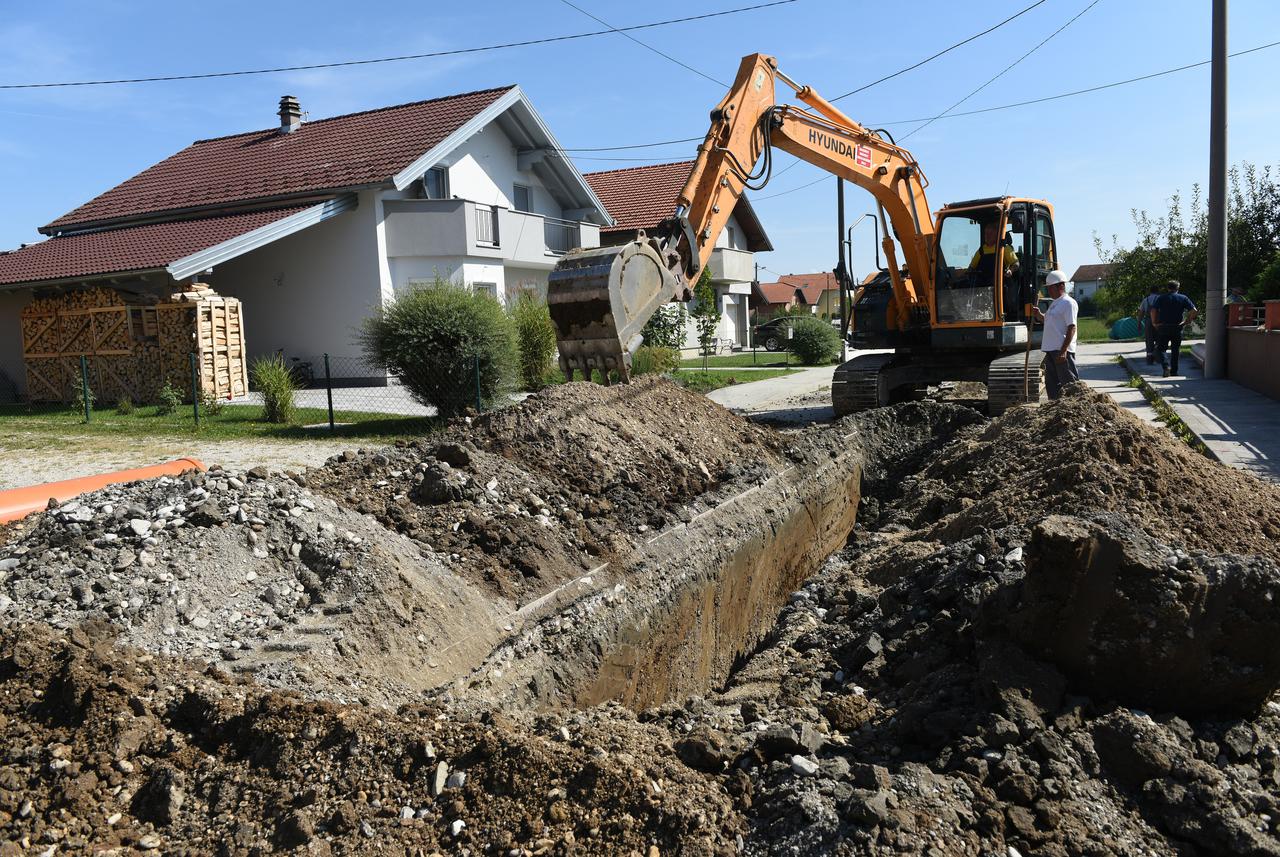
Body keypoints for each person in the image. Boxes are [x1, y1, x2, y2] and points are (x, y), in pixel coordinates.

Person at [1030, 269, 1078, 399]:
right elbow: (1048, 321)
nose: (1049, 291)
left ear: (1061, 285)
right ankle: (1055, 412)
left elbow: (1071, 327)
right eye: (1048, 288)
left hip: (1061, 351)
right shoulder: (1055, 304)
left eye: (1051, 287)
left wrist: (1063, 351)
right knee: (1052, 386)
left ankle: (1075, 409)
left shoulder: (1068, 303)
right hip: (1050, 350)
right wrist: (1038, 315)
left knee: (1069, 385)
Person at [1150, 279, 1198, 377]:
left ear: (1168, 288)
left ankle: (1166, 367)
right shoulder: (1183, 298)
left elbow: (1153, 310)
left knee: (1161, 349)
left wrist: (1154, 322)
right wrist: (1187, 320)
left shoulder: (1161, 298)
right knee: (1175, 349)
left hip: (1164, 326)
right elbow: (1194, 310)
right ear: (1178, 288)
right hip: (1177, 326)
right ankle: (1174, 371)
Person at [968, 222, 1019, 289]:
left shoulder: (1004, 248)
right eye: (986, 234)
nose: (987, 236)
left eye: (990, 234)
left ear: (997, 234)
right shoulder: (981, 250)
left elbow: (1016, 264)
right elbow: (971, 268)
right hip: (983, 287)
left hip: (1000, 286)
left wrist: (1010, 270)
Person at [1137, 284, 1162, 364]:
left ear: (1150, 291)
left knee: (1149, 340)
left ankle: (1150, 358)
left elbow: (1141, 312)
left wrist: (1139, 322)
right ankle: (1158, 357)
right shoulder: (1160, 299)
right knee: (1160, 339)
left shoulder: (1145, 300)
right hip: (1159, 321)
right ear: (1158, 291)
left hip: (1148, 321)